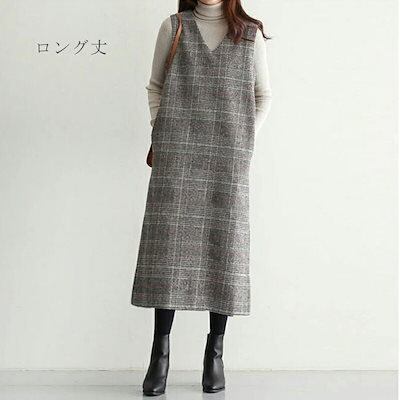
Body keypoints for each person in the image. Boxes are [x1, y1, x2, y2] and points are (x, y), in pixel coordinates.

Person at [131, 0, 272, 395]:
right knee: (167, 250)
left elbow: (263, 95)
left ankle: (215, 353)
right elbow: (155, 85)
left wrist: (243, 138)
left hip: (228, 156)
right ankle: (160, 354)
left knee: (224, 247)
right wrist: (162, 128)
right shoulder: (174, 26)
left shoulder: (251, 34)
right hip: (176, 153)